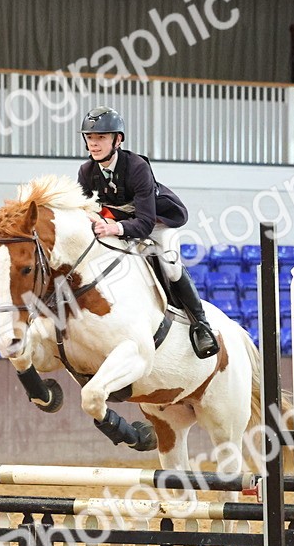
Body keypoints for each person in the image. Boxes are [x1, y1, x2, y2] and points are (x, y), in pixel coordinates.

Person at [76, 106, 219, 358]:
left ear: (117, 140)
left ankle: (200, 324)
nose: (94, 144)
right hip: (116, 223)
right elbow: (84, 211)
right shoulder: (86, 172)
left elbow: (143, 223)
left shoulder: (137, 167)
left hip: (156, 223)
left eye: (101, 137)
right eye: (90, 138)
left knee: (171, 267)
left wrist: (114, 227)